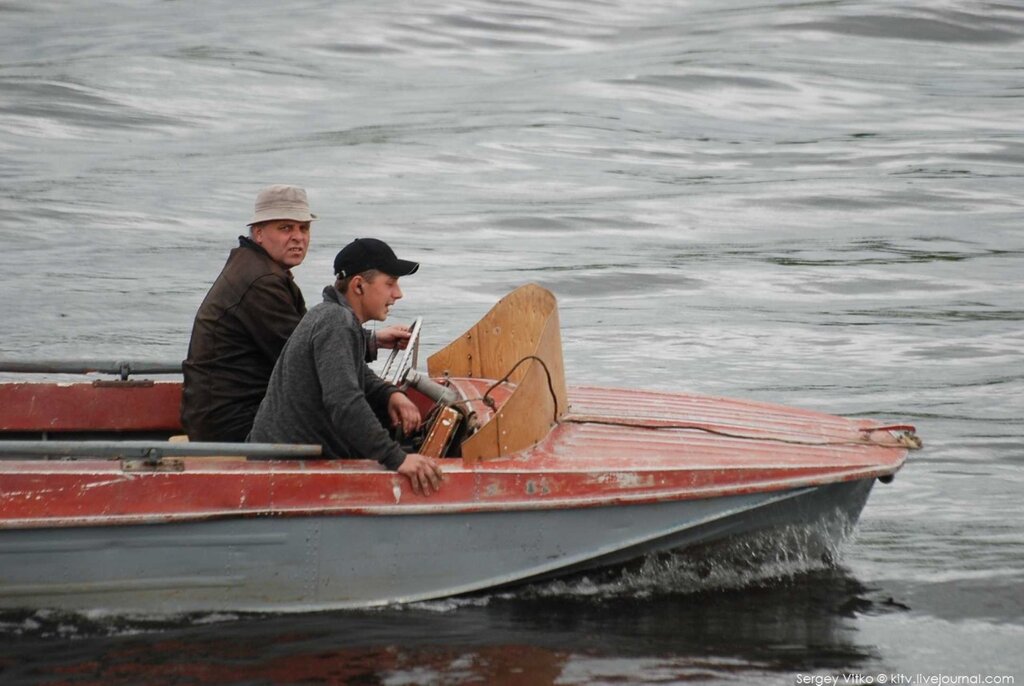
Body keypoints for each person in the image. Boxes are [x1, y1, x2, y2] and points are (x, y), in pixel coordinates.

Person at [180, 185, 410, 442]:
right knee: (356, 417)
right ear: (258, 233)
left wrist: (371, 341)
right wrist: (386, 392)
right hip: (235, 426)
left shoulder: (259, 269)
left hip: (231, 414)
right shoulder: (262, 282)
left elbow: (308, 342)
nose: (298, 237)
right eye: (285, 228)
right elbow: (313, 356)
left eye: (304, 228)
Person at [248, 238, 445, 496]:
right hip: (283, 472)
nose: (398, 294)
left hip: (283, 459)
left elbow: (354, 371)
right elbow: (344, 402)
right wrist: (397, 458)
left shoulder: (330, 315)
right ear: (358, 285)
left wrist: (389, 393)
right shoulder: (336, 323)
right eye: (390, 283)